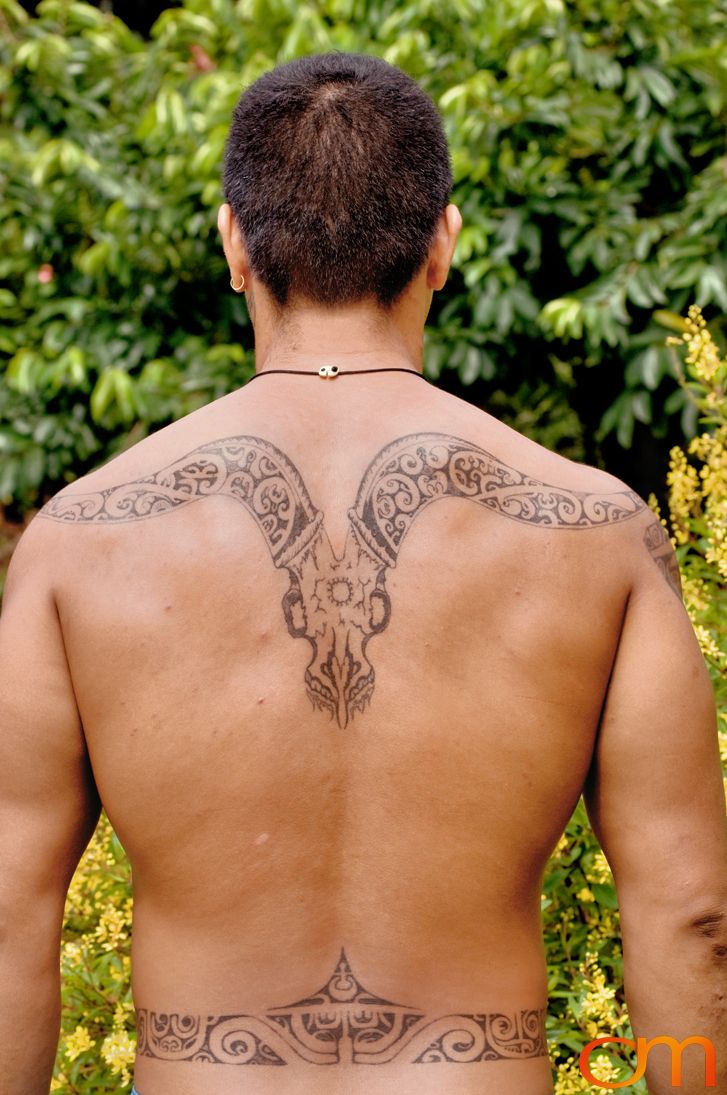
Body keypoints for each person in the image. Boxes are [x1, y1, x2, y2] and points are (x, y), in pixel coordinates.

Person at [1, 51, 725, 1095]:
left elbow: (12, 918)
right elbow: (691, 920)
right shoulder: (595, 534)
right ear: (443, 244)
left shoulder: (80, 540)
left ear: (234, 245)